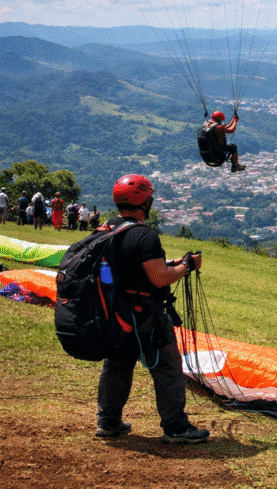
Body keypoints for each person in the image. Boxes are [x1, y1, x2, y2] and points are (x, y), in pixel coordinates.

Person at [95, 173, 210, 444]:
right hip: (143, 316)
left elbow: (118, 271)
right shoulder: (143, 235)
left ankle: (108, 422)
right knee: (169, 366)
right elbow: (160, 278)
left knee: (118, 365)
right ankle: (176, 427)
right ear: (144, 201)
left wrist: (167, 263)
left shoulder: (105, 230)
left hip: (114, 313)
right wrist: (186, 266)